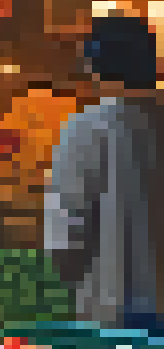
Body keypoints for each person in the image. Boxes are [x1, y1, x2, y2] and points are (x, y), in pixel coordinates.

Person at [47, 16, 164, 331]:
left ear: (94, 66)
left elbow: (66, 223)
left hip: (116, 303)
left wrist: (63, 280)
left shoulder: (87, 127)